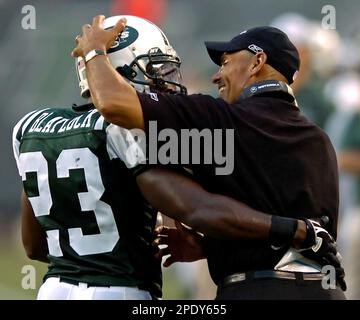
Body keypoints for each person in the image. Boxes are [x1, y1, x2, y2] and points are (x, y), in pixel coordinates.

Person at [13, 15, 336, 300]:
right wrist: (293, 230)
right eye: (157, 67)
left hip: (54, 288)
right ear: (120, 63)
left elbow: (34, 247)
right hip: (123, 290)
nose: (167, 77)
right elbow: (198, 208)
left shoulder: (32, 127)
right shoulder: (319, 139)